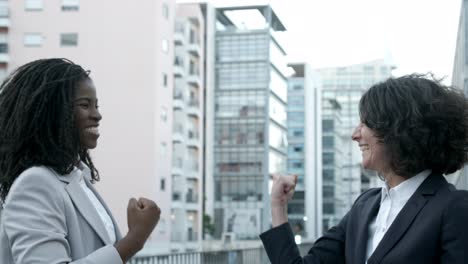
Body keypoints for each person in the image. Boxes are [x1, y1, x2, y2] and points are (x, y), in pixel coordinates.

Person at [260, 74, 468, 264]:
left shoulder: (455, 208)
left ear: (398, 129)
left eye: (365, 123)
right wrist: (278, 207)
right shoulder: (365, 206)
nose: (354, 134)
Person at [0, 58, 161, 263]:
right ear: (54, 112)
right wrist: (134, 239)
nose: (97, 115)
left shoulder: (76, 178)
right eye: (85, 105)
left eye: (96, 105)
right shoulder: (35, 184)